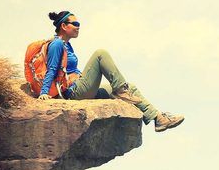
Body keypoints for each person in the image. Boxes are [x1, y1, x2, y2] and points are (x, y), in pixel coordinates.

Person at [38, 11, 184, 132]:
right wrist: (44, 92)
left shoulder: (67, 45)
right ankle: (121, 90)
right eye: (75, 24)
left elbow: (69, 70)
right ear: (63, 26)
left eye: (79, 24)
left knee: (131, 87)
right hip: (73, 93)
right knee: (100, 54)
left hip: (81, 87)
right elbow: (51, 69)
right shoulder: (56, 44)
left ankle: (158, 119)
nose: (78, 27)